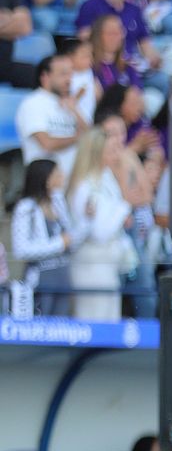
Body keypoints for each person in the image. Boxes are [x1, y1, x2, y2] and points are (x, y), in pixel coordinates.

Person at [66, 124, 132, 322]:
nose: (116, 154)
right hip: (92, 265)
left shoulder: (106, 177)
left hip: (109, 264)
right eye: (110, 150)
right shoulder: (84, 186)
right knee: (94, 322)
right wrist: (123, 210)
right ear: (96, 153)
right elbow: (99, 233)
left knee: (111, 322)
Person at [10, 158, 80, 318]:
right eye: (57, 174)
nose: (62, 177)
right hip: (40, 280)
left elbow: (70, 236)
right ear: (46, 179)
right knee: (41, 323)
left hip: (62, 276)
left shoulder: (58, 202)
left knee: (61, 324)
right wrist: (58, 244)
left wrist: (87, 220)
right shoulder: (26, 208)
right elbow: (20, 249)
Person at [17, 56, 86, 173]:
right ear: (45, 76)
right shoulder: (33, 103)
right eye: (63, 74)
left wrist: (75, 110)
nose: (69, 79)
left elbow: (92, 137)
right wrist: (80, 137)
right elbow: (47, 144)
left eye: (71, 74)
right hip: (47, 179)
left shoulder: (70, 104)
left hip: (75, 177)